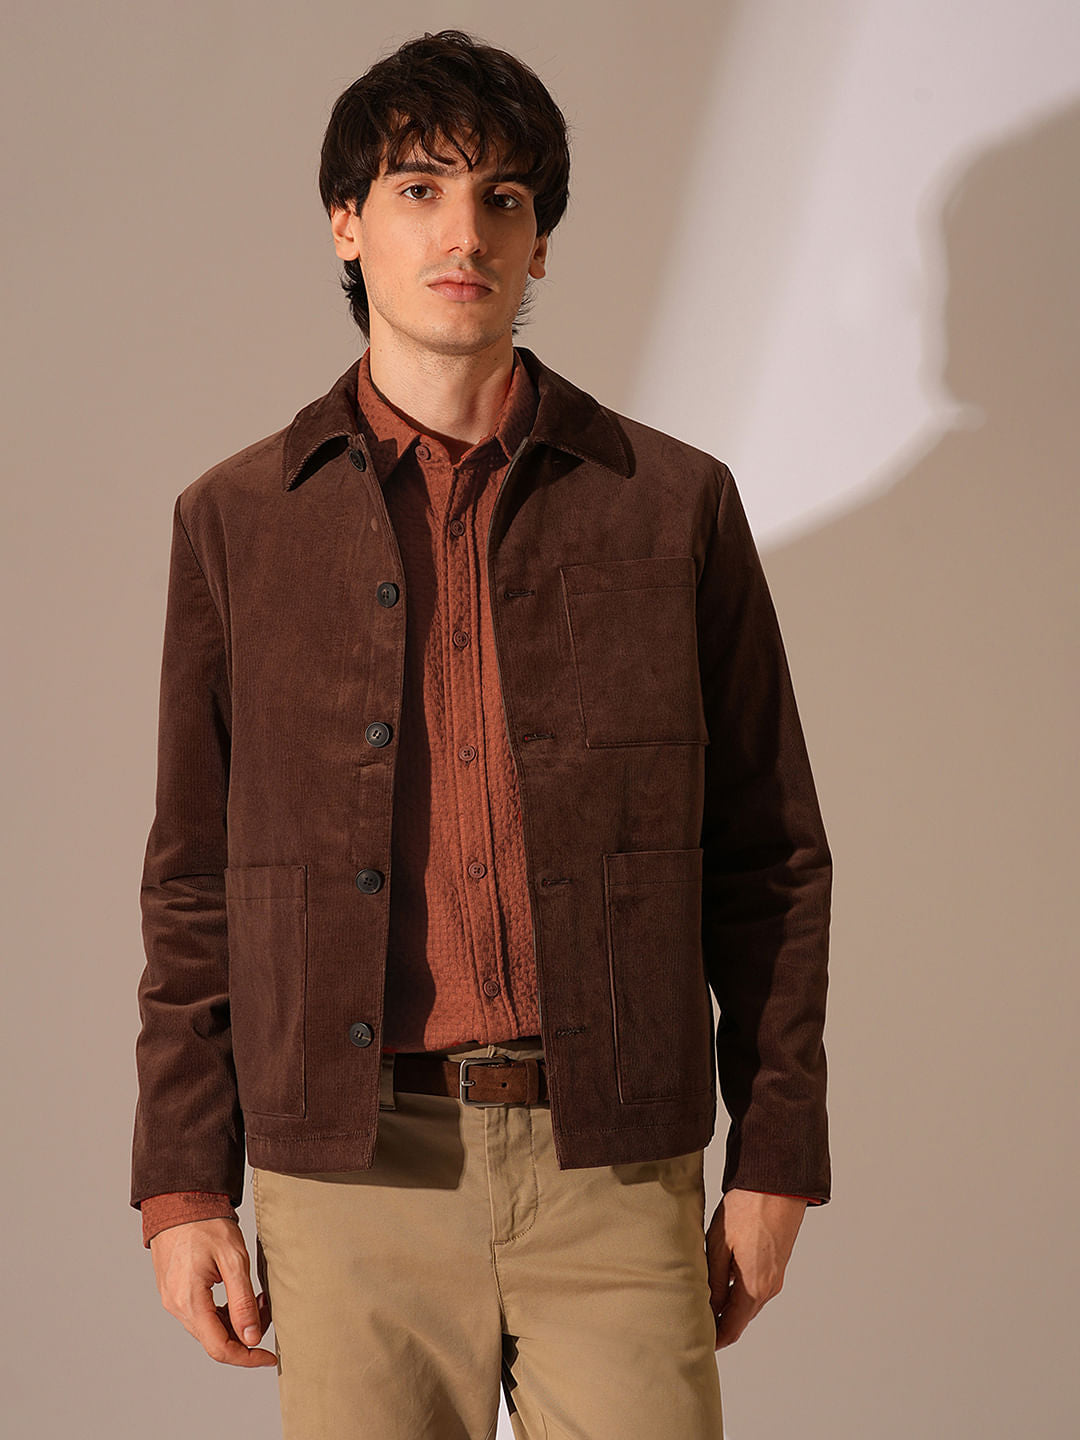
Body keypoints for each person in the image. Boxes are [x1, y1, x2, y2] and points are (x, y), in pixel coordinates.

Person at [130, 28, 832, 1440]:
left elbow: (771, 855)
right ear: (346, 221)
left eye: (502, 198)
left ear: (540, 241)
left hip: (612, 1163)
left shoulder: (671, 506)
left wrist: (776, 1155)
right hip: (351, 1174)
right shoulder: (237, 524)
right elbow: (194, 880)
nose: (465, 233)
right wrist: (184, 1182)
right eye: (419, 191)